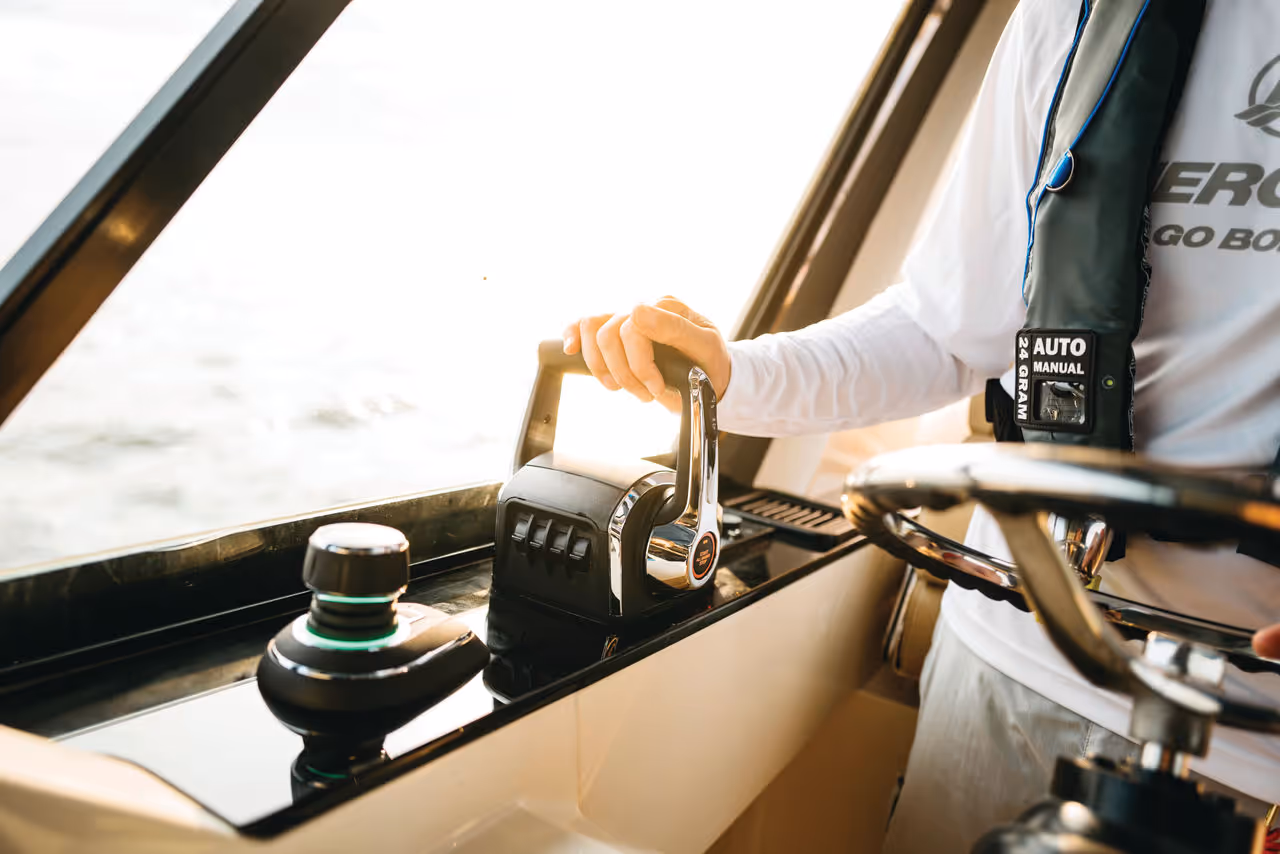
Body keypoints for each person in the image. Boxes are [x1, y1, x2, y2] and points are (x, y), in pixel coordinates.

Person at [562, 0, 1280, 850]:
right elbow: (943, 325)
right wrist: (734, 375)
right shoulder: (1070, 16)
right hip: (1010, 649)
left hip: (1252, 748)